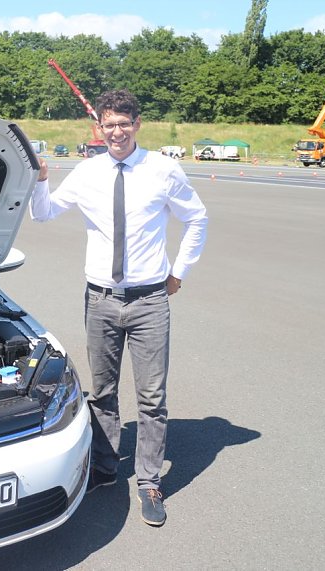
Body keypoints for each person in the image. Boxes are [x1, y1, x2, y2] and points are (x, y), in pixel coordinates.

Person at [29, 89, 208, 527]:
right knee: (102, 393)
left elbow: (197, 217)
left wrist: (179, 271)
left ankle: (148, 480)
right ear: (99, 128)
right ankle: (107, 469)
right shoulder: (87, 171)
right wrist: (40, 180)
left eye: (124, 123)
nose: (116, 131)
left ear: (137, 124)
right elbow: (45, 214)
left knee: (152, 398)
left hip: (149, 301)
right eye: (109, 124)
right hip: (101, 300)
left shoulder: (163, 169)